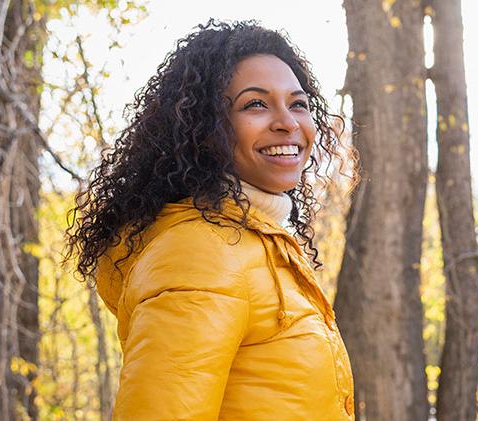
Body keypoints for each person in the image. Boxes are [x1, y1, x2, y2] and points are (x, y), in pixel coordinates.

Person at [66, 19, 357, 420]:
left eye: (298, 104)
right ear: (204, 129)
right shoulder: (201, 253)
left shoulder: (262, 245)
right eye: (255, 104)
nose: (287, 122)